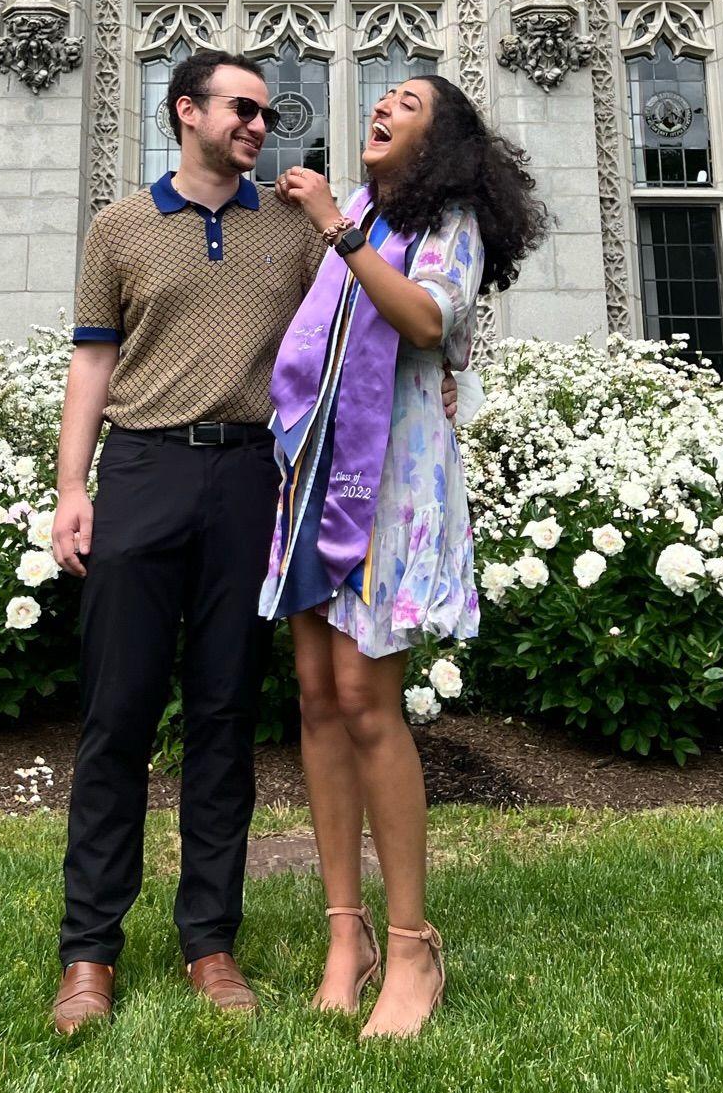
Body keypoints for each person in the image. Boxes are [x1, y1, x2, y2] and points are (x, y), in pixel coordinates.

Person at [46, 50, 459, 1035]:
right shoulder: (118, 228)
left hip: (254, 486)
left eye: (268, 114)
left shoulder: (296, 230)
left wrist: (446, 388)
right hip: (142, 470)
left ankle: (210, 944)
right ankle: (89, 955)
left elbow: (367, 319)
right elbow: (91, 365)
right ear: (185, 112)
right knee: (118, 718)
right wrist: (70, 486)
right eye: (243, 109)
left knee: (225, 720)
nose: (260, 126)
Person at [262, 74, 546, 1039]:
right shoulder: (363, 221)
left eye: (407, 103)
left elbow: (425, 322)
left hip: (389, 487)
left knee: (365, 701)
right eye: (380, 98)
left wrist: (335, 232)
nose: (381, 106)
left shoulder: (444, 223)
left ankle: (412, 940)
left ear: (440, 141)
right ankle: (347, 937)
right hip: (316, 474)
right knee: (313, 696)